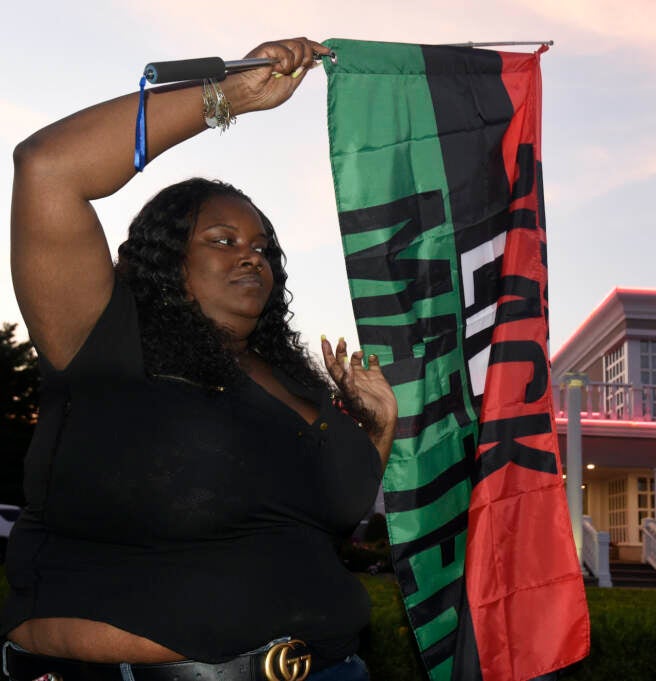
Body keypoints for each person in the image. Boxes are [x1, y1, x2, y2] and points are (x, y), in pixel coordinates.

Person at [2, 37, 398, 681]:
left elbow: (331, 515)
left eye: (264, 247)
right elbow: (47, 164)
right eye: (223, 240)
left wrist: (374, 430)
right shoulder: (106, 339)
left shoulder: (293, 380)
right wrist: (227, 97)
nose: (252, 256)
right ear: (166, 258)